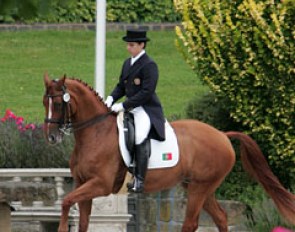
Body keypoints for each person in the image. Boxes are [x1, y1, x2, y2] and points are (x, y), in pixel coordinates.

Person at [105, 29, 165, 193]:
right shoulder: (127, 63)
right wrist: (111, 98)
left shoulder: (149, 65)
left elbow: (147, 92)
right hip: (131, 107)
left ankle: (139, 179)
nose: (128, 48)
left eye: (131, 45)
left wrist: (124, 106)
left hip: (145, 109)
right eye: (128, 45)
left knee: (139, 136)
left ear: (141, 45)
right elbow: (121, 86)